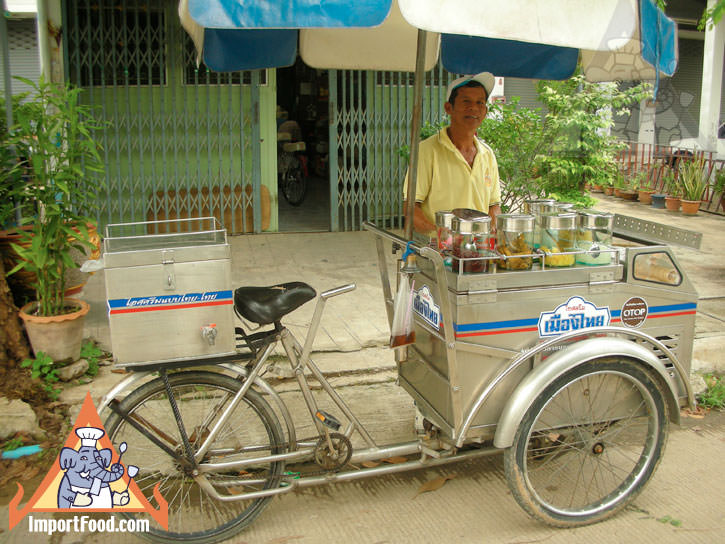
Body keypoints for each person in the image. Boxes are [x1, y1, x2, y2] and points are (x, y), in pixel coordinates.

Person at [403, 73, 502, 234]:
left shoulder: (488, 155)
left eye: (480, 102)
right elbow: (411, 207)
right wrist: (439, 233)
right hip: (439, 248)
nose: (474, 108)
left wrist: (493, 229)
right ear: (448, 108)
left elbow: (494, 205)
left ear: (485, 111)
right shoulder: (426, 150)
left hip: (478, 249)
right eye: (466, 101)